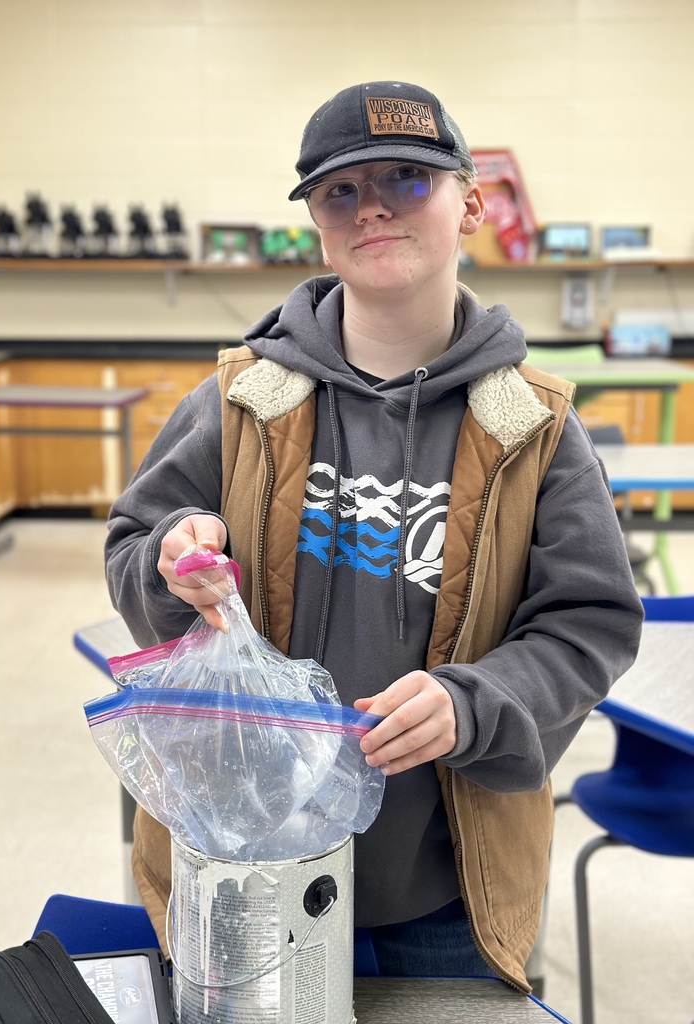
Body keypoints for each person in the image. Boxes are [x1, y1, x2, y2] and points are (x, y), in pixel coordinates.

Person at [104, 80, 643, 990]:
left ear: (470, 204)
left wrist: (472, 701)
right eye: (340, 191)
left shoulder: (532, 425)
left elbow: (588, 624)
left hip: (442, 883)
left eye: (408, 178)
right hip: (244, 861)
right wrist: (170, 557)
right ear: (316, 219)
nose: (374, 206)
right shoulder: (243, 397)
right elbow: (134, 545)